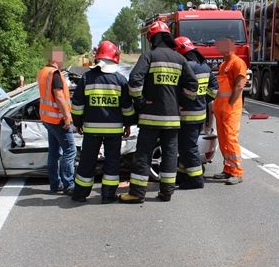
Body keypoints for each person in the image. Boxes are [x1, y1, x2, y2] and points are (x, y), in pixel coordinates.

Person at [119, 21, 198, 203]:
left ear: (152, 38)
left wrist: (140, 103)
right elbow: (192, 85)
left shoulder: (149, 56)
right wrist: (182, 103)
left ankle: (137, 193)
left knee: (143, 154)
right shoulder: (180, 59)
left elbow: (134, 81)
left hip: (150, 117)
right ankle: (166, 192)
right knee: (170, 154)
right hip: (172, 118)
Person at [70, 41, 135, 204]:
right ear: (114, 59)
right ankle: (108, 195)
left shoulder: (86, 78)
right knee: (112, 162)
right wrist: (128, 124)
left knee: (87, 161)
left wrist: (77, 122)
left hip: (91, 130)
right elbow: (127, 107)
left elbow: (77, 104)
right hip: (114, 131)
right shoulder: (120, 80)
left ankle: (80, 194)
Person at [174, 36, 218, 190]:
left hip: (187, 114)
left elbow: (178, 91)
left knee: (188, 148)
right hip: (200, 113)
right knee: (184, 146)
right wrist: (203, 100)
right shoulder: (204, 66)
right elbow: (214, 88)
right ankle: (182, 175)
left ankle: (196, 180)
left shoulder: (186, 67)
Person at [37, 48, 76, 194]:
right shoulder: (55, 74)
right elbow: (59, 97)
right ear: (55, 60)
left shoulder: (43, 72)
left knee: (53, 152)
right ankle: (68, 184)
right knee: (70, 150)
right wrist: (67, 117)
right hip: (58, 119)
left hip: (47, 119)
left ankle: (55, 184)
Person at [212, 36, 248, 185]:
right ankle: (228, 169)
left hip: (230, 108)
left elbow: (239, 86)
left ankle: (237, 172)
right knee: (223, 139)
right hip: (221, 108)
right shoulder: (223, 64)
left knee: (230, 138)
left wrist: (231, 103)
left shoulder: (238, 63)